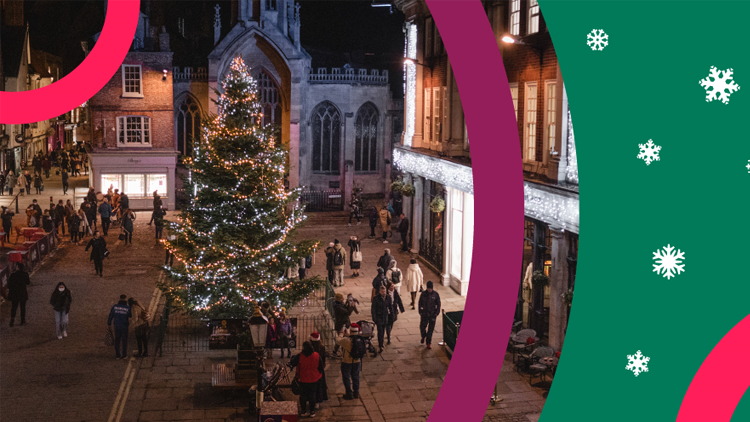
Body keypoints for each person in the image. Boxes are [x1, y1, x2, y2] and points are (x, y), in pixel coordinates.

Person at [288, 341, 323, 418]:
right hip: (314, 379)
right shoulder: (317, 355)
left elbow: (293, 363)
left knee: (303, 395)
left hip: (303, 379)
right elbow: (321, 367)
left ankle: (303, 411)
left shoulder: (300, 356)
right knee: (312, 395)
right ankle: (312, 412)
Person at [337, 323, 362, 400]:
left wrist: (341, 332)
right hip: (357, 360)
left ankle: (349, 393)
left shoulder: (346, 341)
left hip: (346, 361)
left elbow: (338, 341)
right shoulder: (360, 339)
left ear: (350, 331)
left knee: (346, 377)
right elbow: (352, 336)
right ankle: (356, 392)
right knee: (356, 376)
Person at [107, 294, 132, 359]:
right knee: (124, 340)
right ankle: (124, 355)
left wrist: (109, 324)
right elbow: (130, 316)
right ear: (126, 299)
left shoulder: (115, 307)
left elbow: (110, 316)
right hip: (124, 325)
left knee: (117, 340)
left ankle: (117, 355)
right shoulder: (128, 308)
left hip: (117, 325)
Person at [418, 281, 441, 349]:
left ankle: (428, 342)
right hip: (424, 314)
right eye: (428, 288)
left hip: (432, 314)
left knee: (430, 329)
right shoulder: (423, 294)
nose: (429, 290)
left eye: (430, 288)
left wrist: (437, 313)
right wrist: (420, 311)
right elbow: (420, 303)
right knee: (422, 327)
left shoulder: (436, 295)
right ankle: (423, 335)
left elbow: (438, 304)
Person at [371, 284, 392, 353]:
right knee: (380, 331)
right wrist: (374, 318)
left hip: (385, 317)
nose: (384, 293)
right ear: (380, 292)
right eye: (382, 291)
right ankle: (380, 345)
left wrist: (392, 315)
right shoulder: (376, 298)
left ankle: (386, 339)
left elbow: (390, 307)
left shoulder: (388, 297)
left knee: (386, 329)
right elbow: (373, 309)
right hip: (379, 317)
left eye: (385, 291)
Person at [310, 332, 328, 407]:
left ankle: (312, 400)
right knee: (320, 385)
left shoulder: (310, 348)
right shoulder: (322, 347)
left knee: (312, 385)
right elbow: (323, 358)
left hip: (312, 368)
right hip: (320, 368)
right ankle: (318, 400)